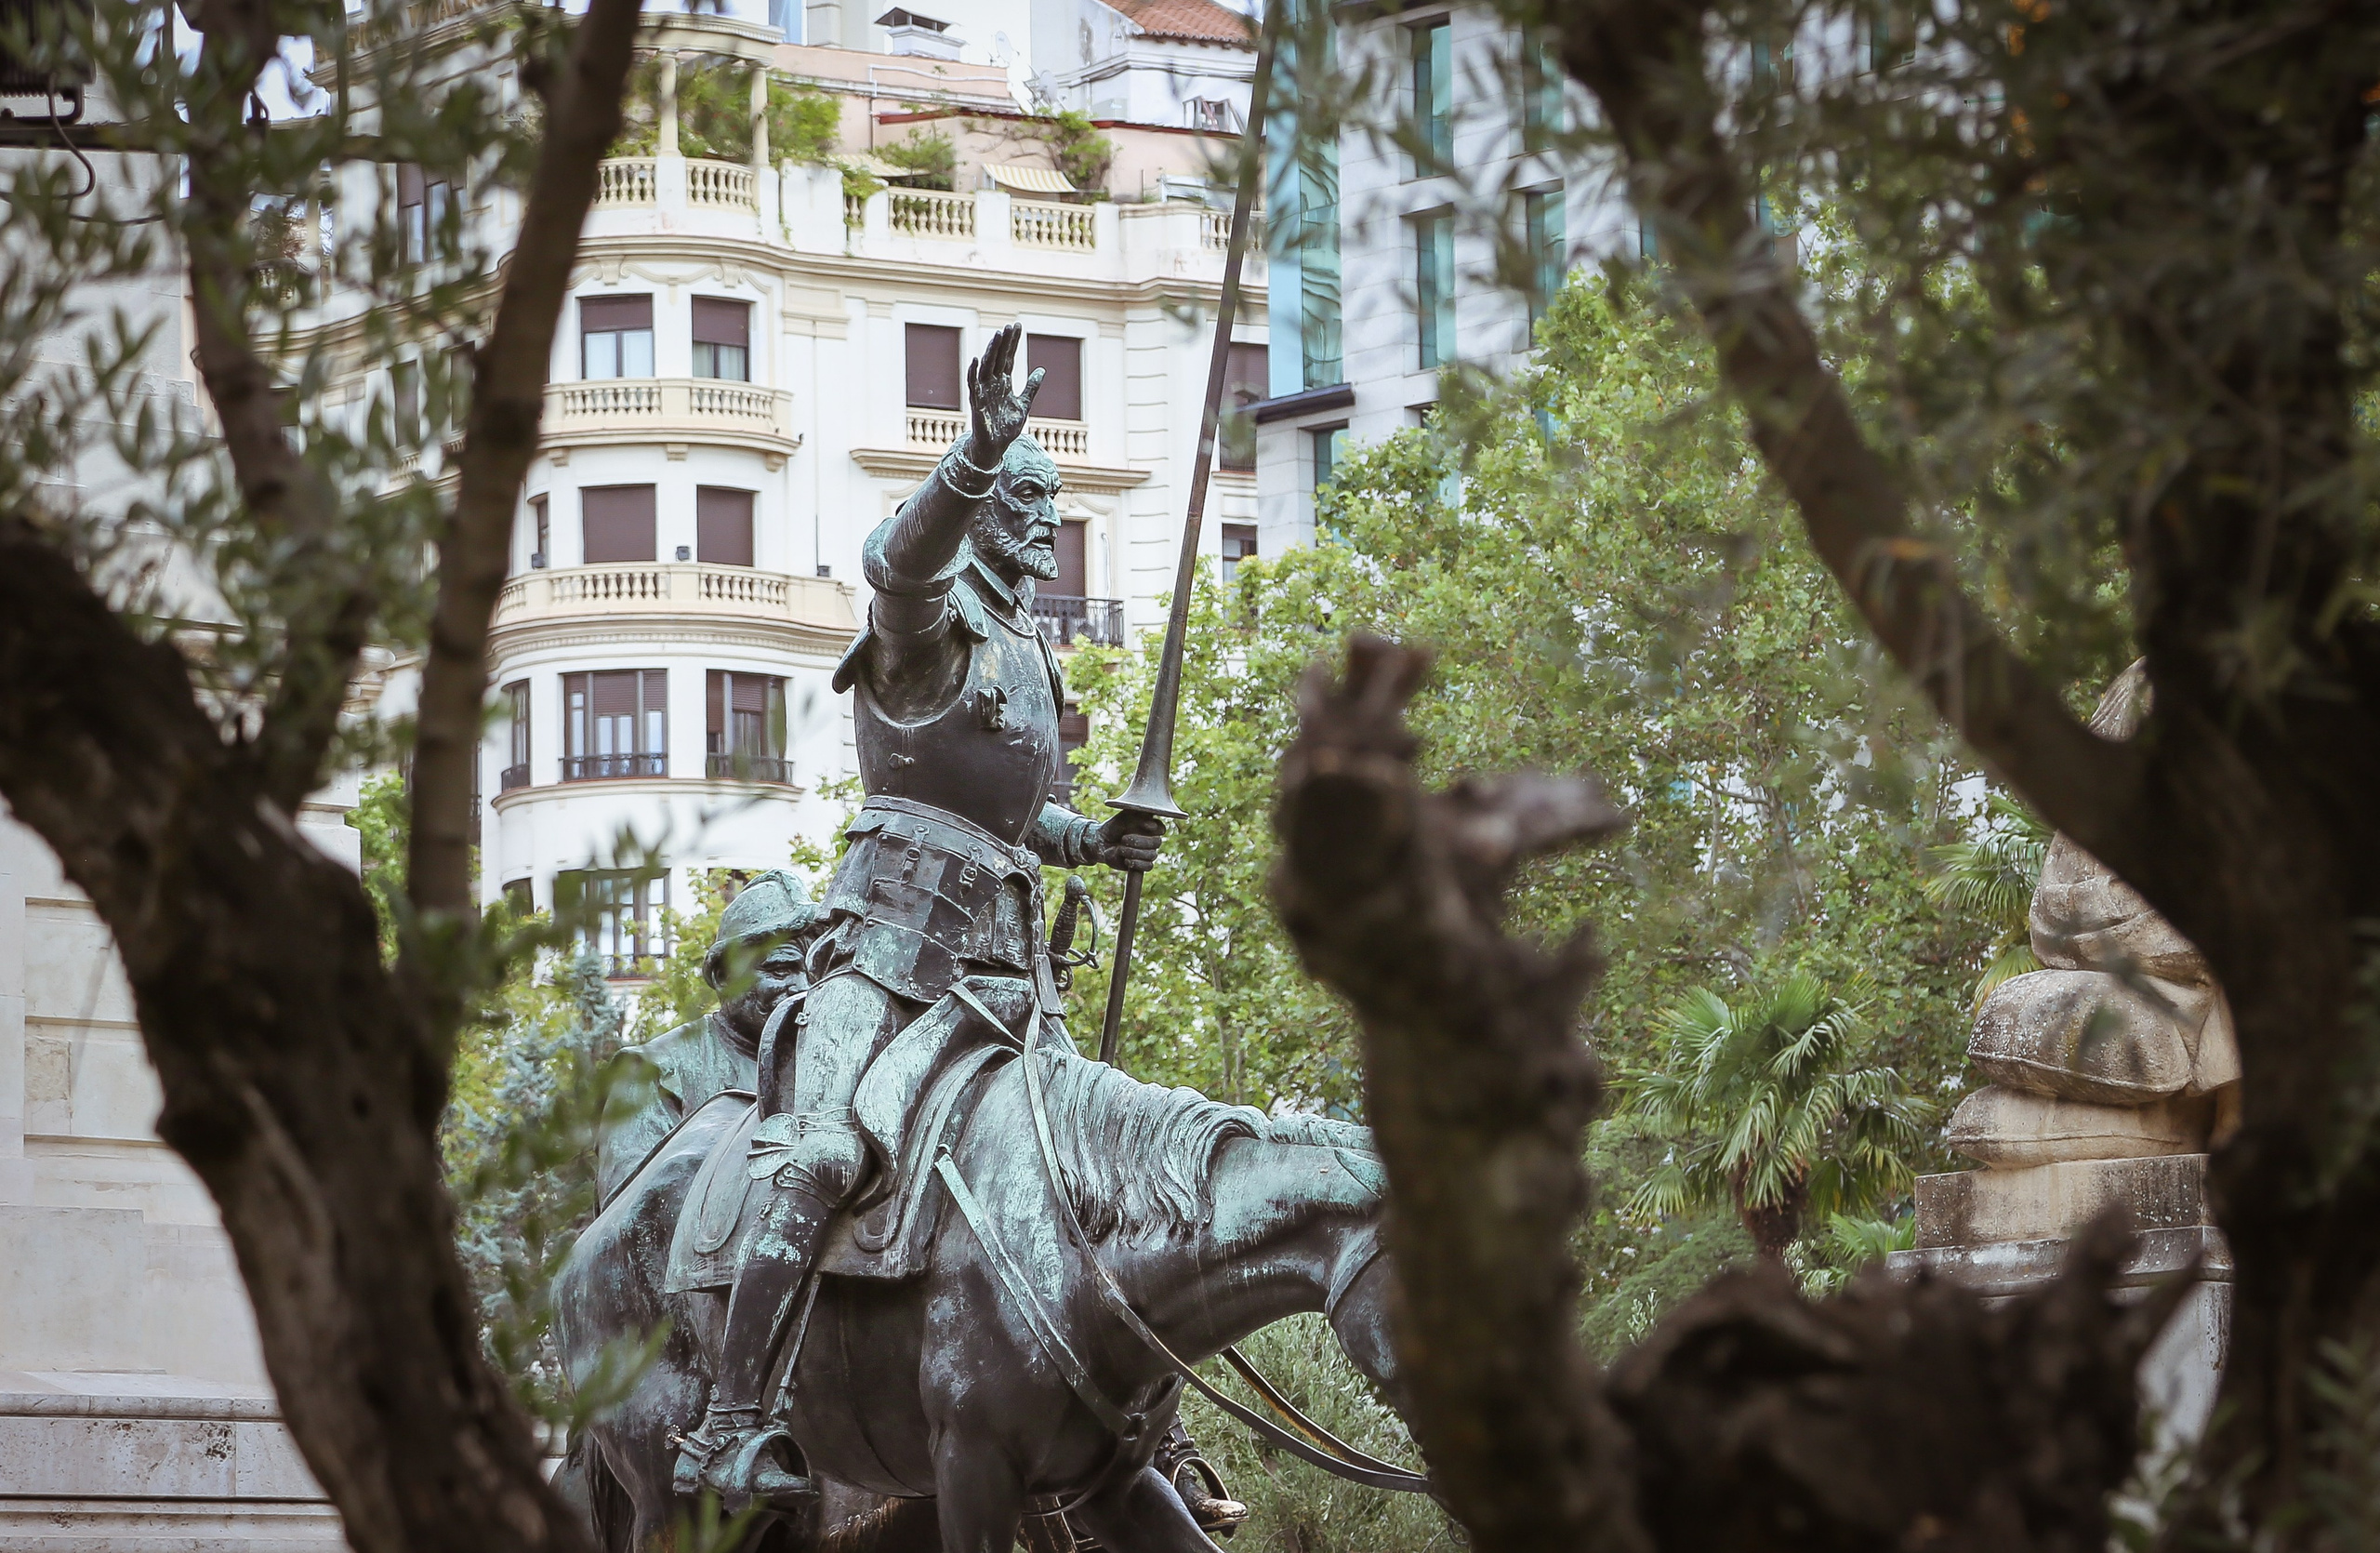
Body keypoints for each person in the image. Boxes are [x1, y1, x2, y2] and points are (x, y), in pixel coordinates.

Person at [673, 325, 1166, 1507]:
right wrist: (973, 457)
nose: (1045, 519)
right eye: (1028, 499)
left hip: (1004, 971)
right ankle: (732, 1425)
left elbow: (1019, 814)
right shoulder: (925, 631)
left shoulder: (1030, 654)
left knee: (1106, 1185)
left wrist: (1089, 838)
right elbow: (899, 569)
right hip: (887, 950)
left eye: (1051, 499)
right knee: (823, 1154)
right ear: (987, 508)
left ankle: (1143, 1436)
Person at [595, 870, 826, 1205]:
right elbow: (632, 1219)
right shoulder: (651, 1071)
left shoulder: (830, 1069)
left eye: (815, 973)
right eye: (779, 970)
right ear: (722, 977)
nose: (803, 989)